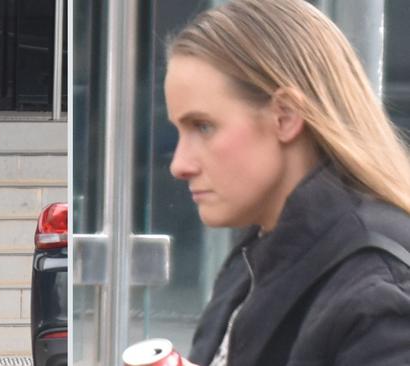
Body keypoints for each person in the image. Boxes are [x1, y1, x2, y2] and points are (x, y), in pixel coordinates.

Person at [164, 1, 410, 365]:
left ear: (286, 116)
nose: (178, 165)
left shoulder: (377, 293)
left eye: (204, 126)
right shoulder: (257, 257)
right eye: (180, 131)